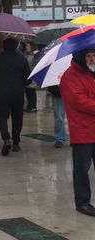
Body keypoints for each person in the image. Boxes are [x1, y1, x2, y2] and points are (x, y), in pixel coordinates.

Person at [60, 49, 95, 216]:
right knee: (82, 169)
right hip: (83, 130)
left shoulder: (91, 72)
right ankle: (82, 202)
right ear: (81, 57)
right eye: (89, 56)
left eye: (94, 55)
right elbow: (79, 101)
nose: (92, 59)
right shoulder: (71, 76)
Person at [0, 38, 30, 156]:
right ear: (16, 46)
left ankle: (6, 140)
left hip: (2, 94)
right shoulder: (22, 59)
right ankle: (16, 142)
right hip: (17, 94)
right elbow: (28, 79)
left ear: (3, 46)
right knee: (17, 119)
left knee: (3, 118)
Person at [22, 41, 38, 112]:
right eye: (26, 46)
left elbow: (34, 65)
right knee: (28, 91)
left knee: (31, 91)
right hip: (26, 76)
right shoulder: (25, 54)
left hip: (32, 75)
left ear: (32, 47)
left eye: (28, 46)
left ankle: (33, 106)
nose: (26, 47)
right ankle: (29, 105)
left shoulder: (35, 55)